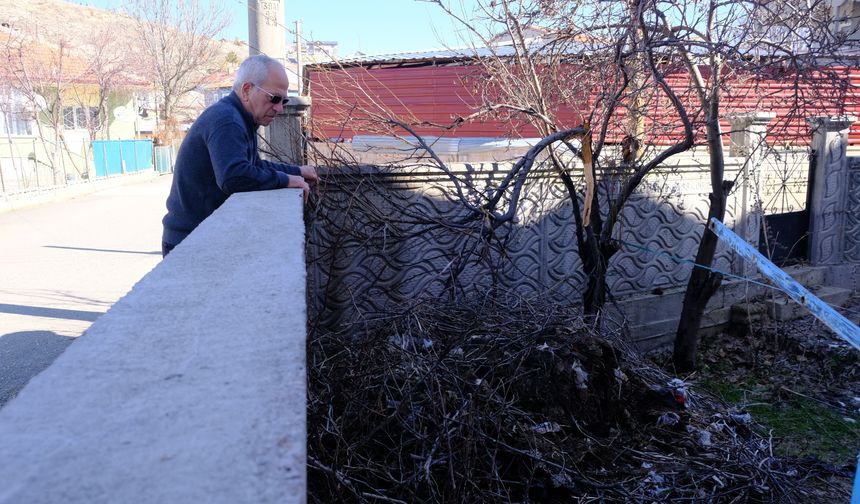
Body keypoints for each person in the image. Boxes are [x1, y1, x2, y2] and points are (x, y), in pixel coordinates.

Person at [161, 54, 318, 257]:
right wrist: (287, 180)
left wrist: (297, 171)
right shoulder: (227, 121)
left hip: (200, 236)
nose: (279, 108)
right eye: (274, 98)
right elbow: (233, 176)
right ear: (246, 90)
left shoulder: (238, 117)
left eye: (284, 100)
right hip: (191, 242)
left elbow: (254, 166)